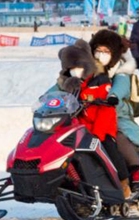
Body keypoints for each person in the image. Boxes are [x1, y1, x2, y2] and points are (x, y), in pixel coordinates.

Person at [56, 39, 132, 198]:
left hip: (102, 126)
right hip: (81, 128)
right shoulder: (72, 85)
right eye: (70, 68)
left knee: (108, 148)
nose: (74, 71)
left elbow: (106, 109)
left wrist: (97, 133)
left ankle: (124, 183)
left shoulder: (100, 80)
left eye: (77, 67)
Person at [90, 29, 139, 193]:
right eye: (98, 50)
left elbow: (121, 86)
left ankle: (135, 170)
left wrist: (113, 96)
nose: (101, 54)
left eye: (106, 51)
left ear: (114, 53)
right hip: (91, 114)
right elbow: (67, 83)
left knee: (118, 136)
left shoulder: (121, 71)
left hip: (117, 115)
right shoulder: (88, 69)